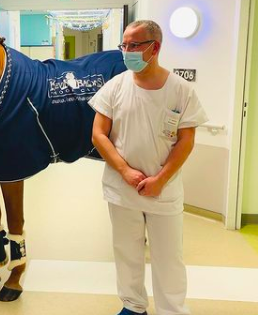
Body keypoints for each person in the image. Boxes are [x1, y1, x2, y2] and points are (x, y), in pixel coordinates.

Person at [89, 20, 208, 315]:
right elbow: (99, 135)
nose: (127, 51)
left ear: (154, 48)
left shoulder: (181, 91)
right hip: (122, 188)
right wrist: (125, 171)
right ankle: (133, 305)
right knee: (126, 252)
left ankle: (173, 309)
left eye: (134, 45)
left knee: (169, 257)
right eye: (124, 45)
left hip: (163, 191)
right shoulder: (115, 87)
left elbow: (186, 141)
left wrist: (161, 179)